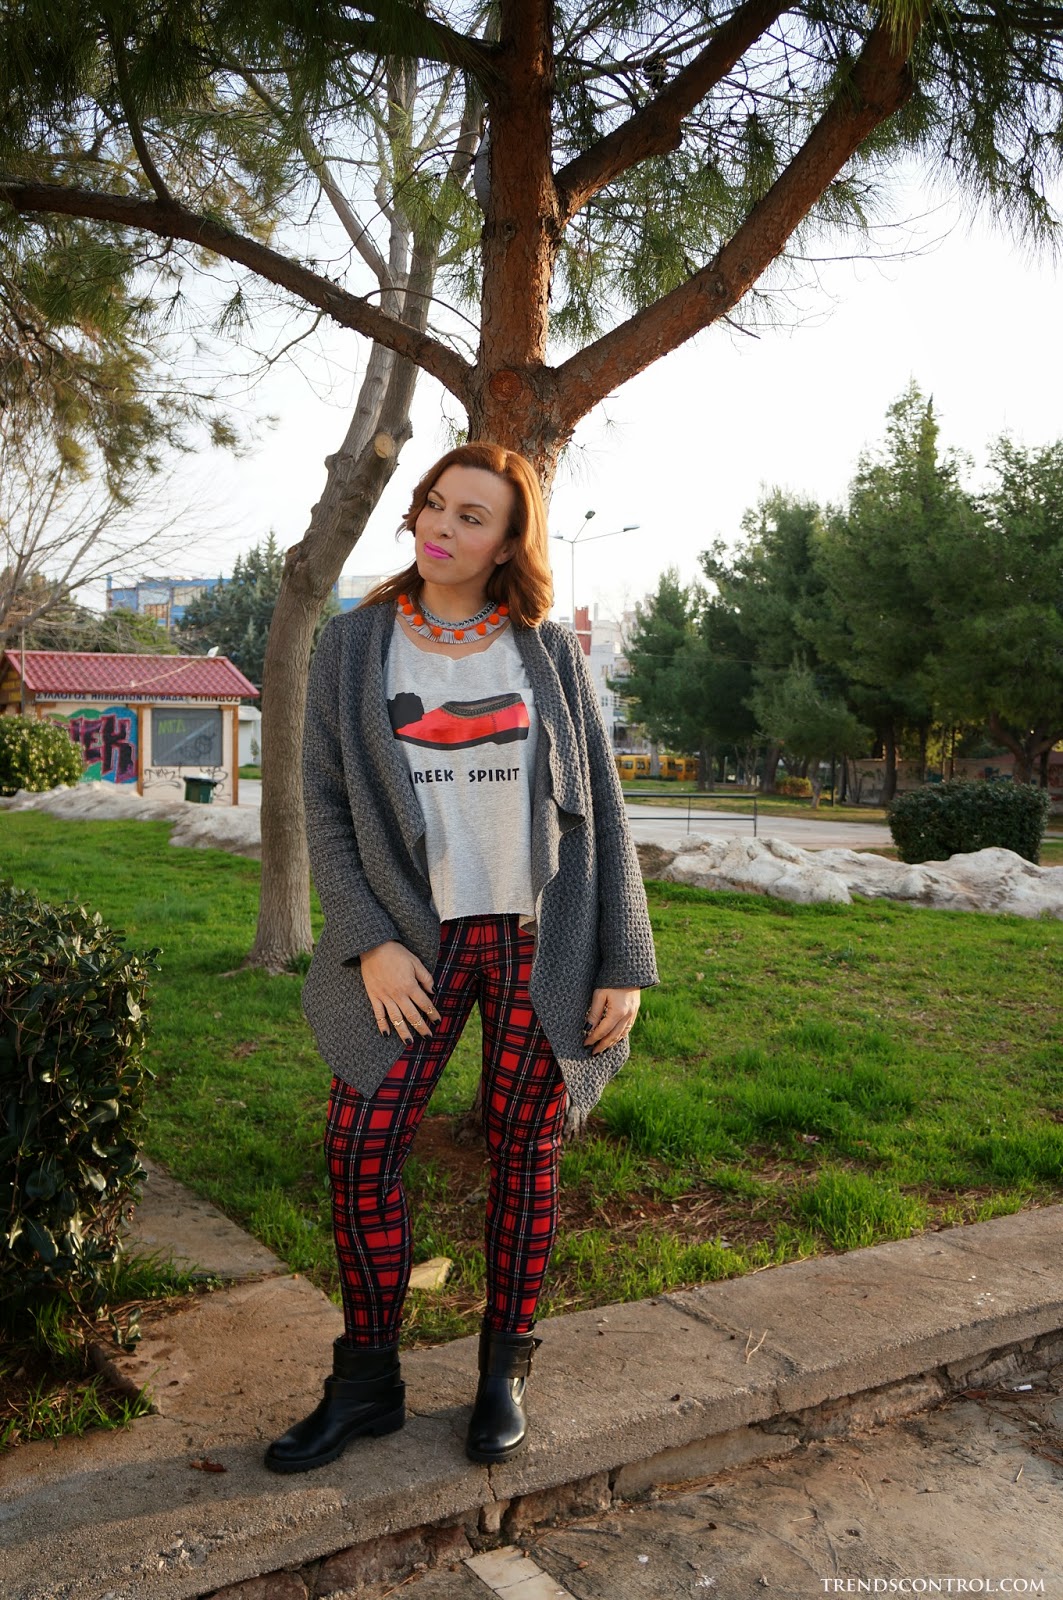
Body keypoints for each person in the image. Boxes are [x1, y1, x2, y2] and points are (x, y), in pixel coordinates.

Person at [265, 442, 658, 1475]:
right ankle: (367, 1383)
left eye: (470, 516)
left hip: (539, 936)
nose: (440, 526)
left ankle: (501, 1373)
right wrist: (370, 941)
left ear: (509, 542)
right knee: (359, 1145)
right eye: (434, 504)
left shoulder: (546, 651)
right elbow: (326, 806)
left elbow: (603, 805)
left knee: (527, 1151)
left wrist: (622, 957)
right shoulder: (355, 643)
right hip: (415, 942)